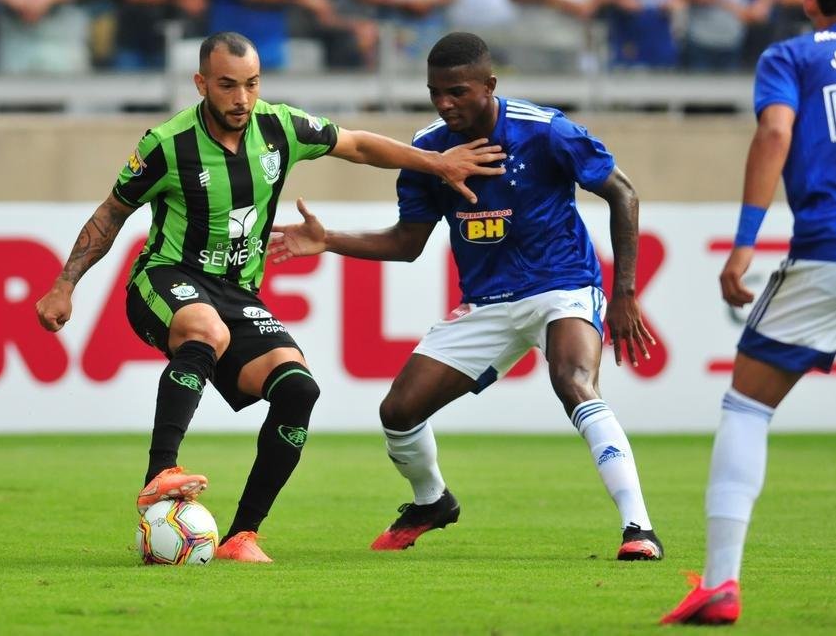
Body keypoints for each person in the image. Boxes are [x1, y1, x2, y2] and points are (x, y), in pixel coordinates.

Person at [35, 31, 506, 563]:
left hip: (236, 291)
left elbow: (357, 144)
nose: (241, 98)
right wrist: (64, 284)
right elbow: (112, 212)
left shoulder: (280, 127)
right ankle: (160, 473)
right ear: (201, 84)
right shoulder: (167, 143)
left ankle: (242, 536)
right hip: (165, 277)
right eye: (228, 85)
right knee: (205, 330)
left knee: (298, 389)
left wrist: (437, 162)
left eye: (252, 84)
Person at [268, 31, 664, 560]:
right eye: (436, 92)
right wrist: (329, 240)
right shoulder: (427, 149)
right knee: (399, 411)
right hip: (488, 301)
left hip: (561, 284)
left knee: (573, 382)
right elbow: (408, 243)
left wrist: (624, 294)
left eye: (457, 91)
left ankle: (638, 529)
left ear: (489, 85)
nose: (445, 103)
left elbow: (623, 192)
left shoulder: (546, 131)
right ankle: (432, 501)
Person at [661, 0, 836, 626]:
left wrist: (744, 244)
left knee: (747, 404)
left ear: (808, 0)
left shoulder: (791, 56)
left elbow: (774, 131)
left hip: (831, 247)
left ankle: (720, 583)